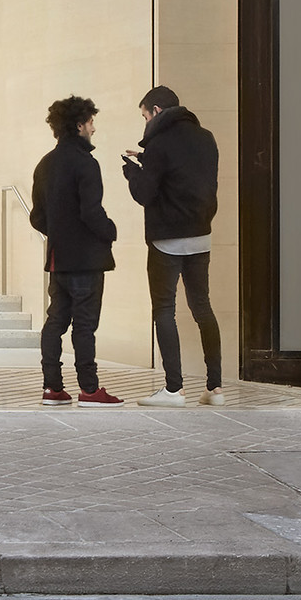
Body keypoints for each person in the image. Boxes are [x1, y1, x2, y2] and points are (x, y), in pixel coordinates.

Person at [123, 84, 223, 407]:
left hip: (167, 240)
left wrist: (131, 171)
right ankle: (215, 388)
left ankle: (173, 389)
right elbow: (190, 179)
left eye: (144, 116)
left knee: (164, 309)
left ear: (155, 112)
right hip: (201, 236)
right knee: (202, 307)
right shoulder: (206, 138)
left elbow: (145, 194)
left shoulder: (159, 143)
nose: (144, 124)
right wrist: (148, 161)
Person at [29, 96, 121, 405]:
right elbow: (91, 212)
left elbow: (37, 216)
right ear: (79, 125)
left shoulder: (44, 164)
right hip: (86, 258)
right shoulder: (86, 163)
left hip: (58, 259)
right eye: (91, 122)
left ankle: (52, 388)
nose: (93, 128)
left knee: (55, 322)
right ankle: (90, 389)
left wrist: (59, 234)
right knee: (84, 326)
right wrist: (110, 232)